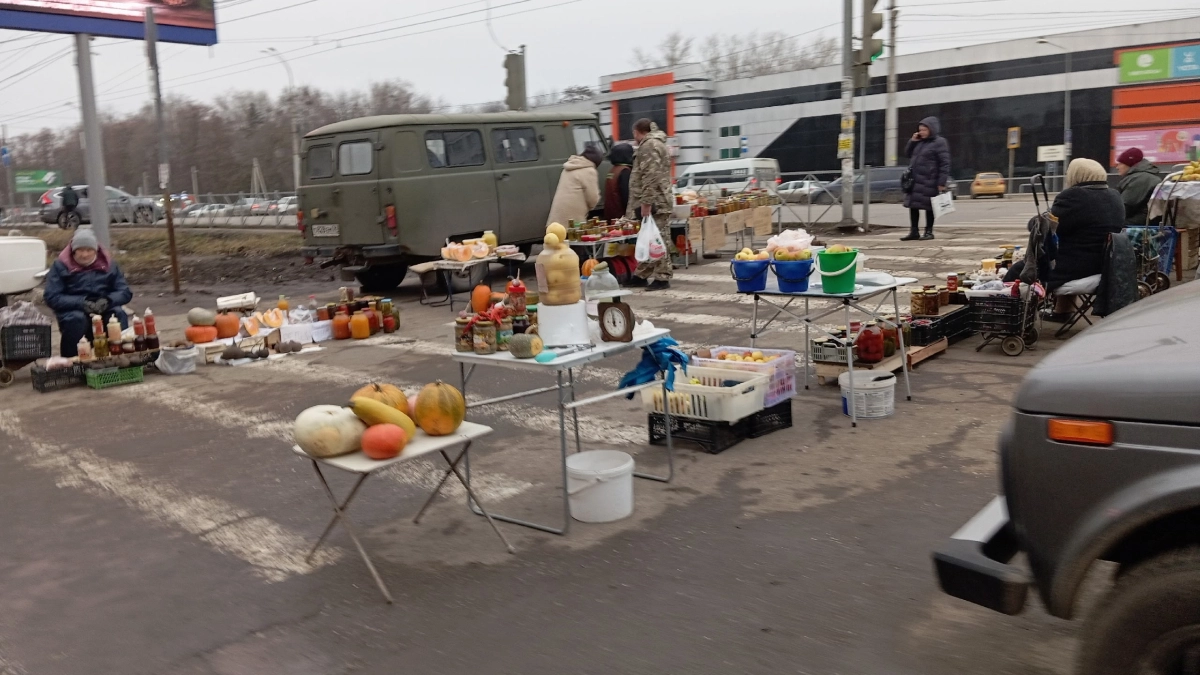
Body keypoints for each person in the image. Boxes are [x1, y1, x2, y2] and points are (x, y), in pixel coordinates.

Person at [1005, 158, 1124, 321]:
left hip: (1079, 266)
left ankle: (1008, 318)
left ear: (1076, 175)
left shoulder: (1074, 196)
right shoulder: (1114, 195)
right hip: (1104, 263)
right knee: (1064, 253)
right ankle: (1062, 312)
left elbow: (1044, 228)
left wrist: (1037, 220)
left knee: (1019, 269)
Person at [43, 228, 132, 357]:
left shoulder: (110, 265)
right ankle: (72, 361)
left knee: (117, 314)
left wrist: (108, 300)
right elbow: (52, 296)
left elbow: (124, 291)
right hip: (74, 309)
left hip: (104, 305)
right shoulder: (60, 266)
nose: (84, 255)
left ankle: (120, 356)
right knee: (76, 319)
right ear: (73, 250)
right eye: (80, 250)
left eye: (89, 250)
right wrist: (81, 303)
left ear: (95, 250)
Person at [626, 119, 674, 290]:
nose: (634, 138)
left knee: (657, 239)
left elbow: (650, 175)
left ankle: (662, 277)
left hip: (655, 202)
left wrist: (646, 203)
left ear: (638, 131)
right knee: (648, 237)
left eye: (634, 134)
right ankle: (642, 274)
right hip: (658, 199)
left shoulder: (648, 146)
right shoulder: (657, 144)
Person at [901, 117, 951, 241]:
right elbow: (907, 154)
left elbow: (945, 163)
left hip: (930, 180)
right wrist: (912, 141)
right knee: (913, 206)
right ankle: (914, 231)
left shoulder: (940, 142)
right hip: (915, 180)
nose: (921, 132)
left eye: (924, 130)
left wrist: (941, 182)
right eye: (920, 130)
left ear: (932, 129)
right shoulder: (919, 142)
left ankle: (929, 232)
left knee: (930, 207)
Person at [546, 144, 603, 227]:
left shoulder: (569, 167)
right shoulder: (589, 171)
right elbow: (593, 199)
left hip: (555, 220)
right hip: (573, 222)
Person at [1115, 147, 1160, 226]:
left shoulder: (1140, 179)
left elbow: (1125, 207)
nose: (1117, 167)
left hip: (1140, 223)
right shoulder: (1140, 177)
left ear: (1130, 164)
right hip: (1142, 220)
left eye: (1120, 163)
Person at [604, 143, 635, 221]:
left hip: (611, 215)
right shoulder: (625, 171)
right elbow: (626, 196)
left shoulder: (613, 170)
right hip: (621, 217)